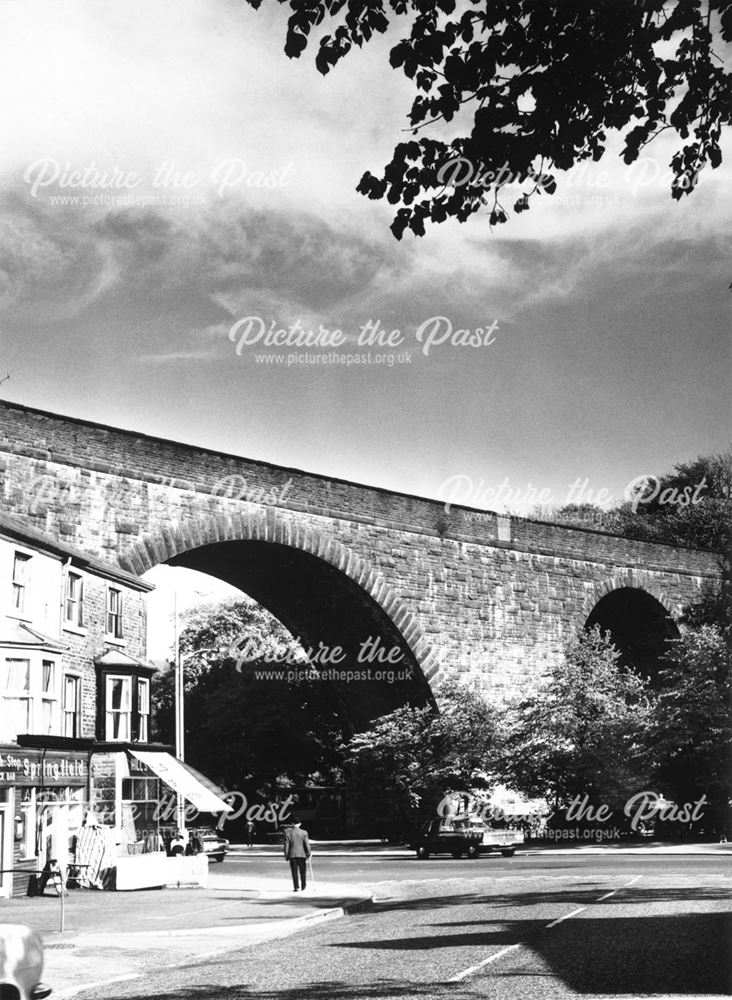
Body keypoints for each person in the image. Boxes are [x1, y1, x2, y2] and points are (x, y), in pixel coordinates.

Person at [283, 816, 311, 892]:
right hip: (302, 854)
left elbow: (286, 845)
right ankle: (303, 886)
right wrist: (309, 853)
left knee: (294, 872)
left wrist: (286, 855)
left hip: (292, 855)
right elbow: (307, 844)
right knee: (303, 871)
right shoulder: (304, 832)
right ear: (300, 824)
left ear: (292, 824)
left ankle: (296, 887)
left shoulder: (288, 833)